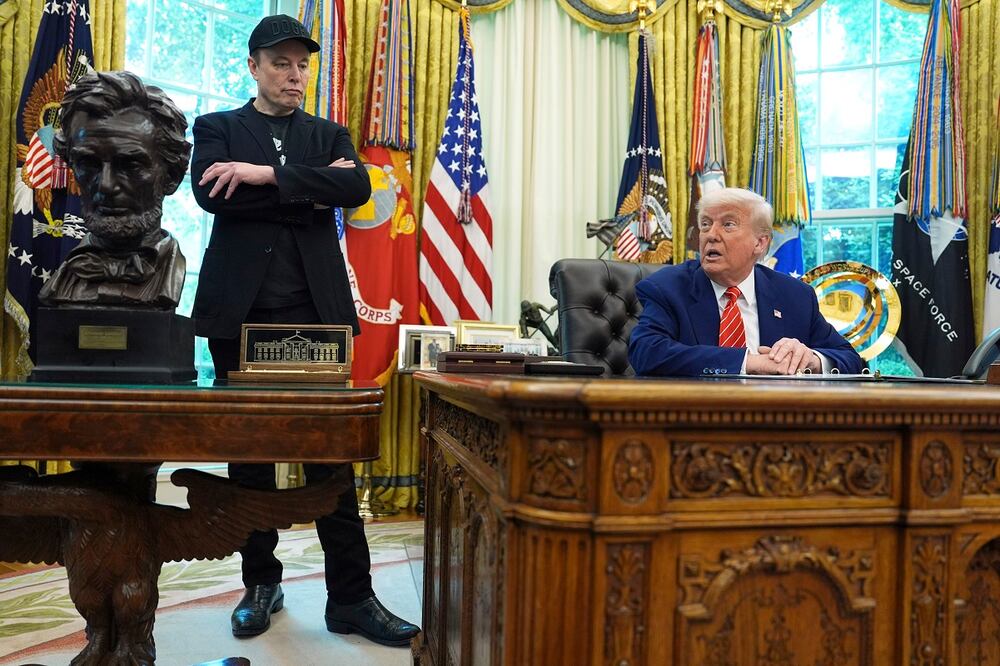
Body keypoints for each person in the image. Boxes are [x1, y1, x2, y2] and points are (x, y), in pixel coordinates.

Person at [189, 14, 419, 647]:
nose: (295, 75)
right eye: (282, 64)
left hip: (317, 318)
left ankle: (351, 598)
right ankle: (260, 583)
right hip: (241, 317)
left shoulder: (330, 133)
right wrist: (306, 191)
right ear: (254, 66)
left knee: (330, 462)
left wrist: (266, 177)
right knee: (251, 461)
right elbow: (213, 196)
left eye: (303, 65)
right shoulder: (216, 127)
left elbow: (353, 187)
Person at [628, 187, 864, 377]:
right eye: (706, 224)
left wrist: (811, 360)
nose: (711, 235)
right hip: (696, 422)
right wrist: (749, 362)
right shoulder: (667, 287)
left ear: (760, 243)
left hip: (776, 422)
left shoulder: (795, 296)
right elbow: (647, 353)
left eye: (728, 224)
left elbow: (851, 359)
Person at [40, 71, 189, 309]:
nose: (106, 185)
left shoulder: (172, 274)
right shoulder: (62, 280)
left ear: (171, 177)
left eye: (130, 165)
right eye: (88, 164)